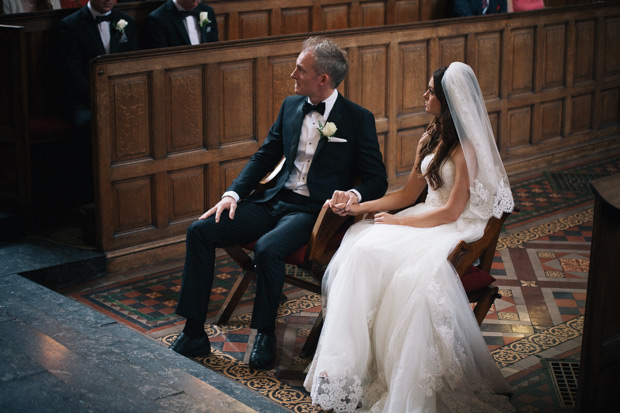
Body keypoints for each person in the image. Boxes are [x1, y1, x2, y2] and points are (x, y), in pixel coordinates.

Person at [304, 62, 516, 412]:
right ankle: (343, 368)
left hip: (451, 228)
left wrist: (398, 225)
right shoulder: (430, 138)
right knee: (361, 247)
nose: (424, 95)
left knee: (401, 274)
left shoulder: (466, 150)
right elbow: (405, 197)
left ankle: (390, 374)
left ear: (447, 100)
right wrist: (361, 207)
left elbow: (450, 212)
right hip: (423, 216)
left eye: (430, 91)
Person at [169, 36, 388, 370]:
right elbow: (264, 156)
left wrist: (352, 195)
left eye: (300, 69)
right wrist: (232, 195)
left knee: (269, 248)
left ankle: (265, 335)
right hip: (272, 200)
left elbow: (377, 180)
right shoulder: (290, 106)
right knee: (201, 230)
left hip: (312, 212)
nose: (293, 75)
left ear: (323, 79)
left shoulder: (358, 119)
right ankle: (194, 331)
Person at [57, 0, 139, 201]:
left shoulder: (125, 21)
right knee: (89, 128)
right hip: (85, 101)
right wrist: (99, 98)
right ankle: (92, 196)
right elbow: (71, 72)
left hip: (123, 98)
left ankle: (131, 190)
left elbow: (135, 62)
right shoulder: (70, 25)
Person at [146, 0, 218, 49]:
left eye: (198, 0)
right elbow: (161, 56)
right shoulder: (158, 18)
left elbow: (214, 44)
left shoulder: (207, 11)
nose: (195, 4)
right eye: (190, 0)